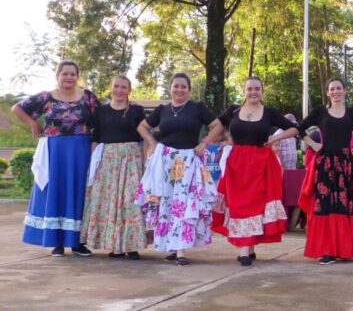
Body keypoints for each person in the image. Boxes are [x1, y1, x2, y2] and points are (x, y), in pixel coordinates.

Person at [12, 60, 100, 257]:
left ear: (77, 76)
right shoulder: (46, 97)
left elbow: (101, 119)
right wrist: (33, 124)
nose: (69, 77)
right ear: (57, 76)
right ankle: (56, 241)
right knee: (56, 191)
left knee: (79, 192)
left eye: (72, 74)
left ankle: (77, 243)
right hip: (55, 151)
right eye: (65, 73)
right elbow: (17, 108)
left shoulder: (87, 97)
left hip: (80, 150)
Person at [135, 73, 224, 266]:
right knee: (166, 202)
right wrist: (152, 143)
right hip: (165, 161)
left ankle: (181, 250)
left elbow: (217, 126)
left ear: (189, 90)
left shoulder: (197, 108)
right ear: (170, 88)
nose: (179, 90)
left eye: (183, 87)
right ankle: (173, 247)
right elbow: (142, 127)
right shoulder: (162, 109)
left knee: (183, 204)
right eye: (176, 86)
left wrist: (204, 144)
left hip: (188, 161)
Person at [210, 77, 299, 266]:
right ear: (244, 91)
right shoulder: (233, 111)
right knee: (238, 205)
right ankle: (248, 248)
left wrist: (275, 139)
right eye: (249, 89)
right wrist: (220, 138)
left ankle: (244, 250)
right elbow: (214, 125)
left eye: (257, 89)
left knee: (254, 206)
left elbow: (293, 129)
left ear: (262, 91)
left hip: (260, 165)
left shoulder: (269, 113)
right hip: (236, 165)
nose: (253, 92)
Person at [297, 78, 353, 265]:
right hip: (325, 162)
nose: (335, 91)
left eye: (339, 88)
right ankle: (325, 251)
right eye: (332, 89)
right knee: (324, 204)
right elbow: (299, 128)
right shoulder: (320, 112)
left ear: (345, 91)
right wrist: (313, 144)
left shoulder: (352, 113)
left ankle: (343, 249)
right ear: (327, 92)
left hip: (345, 164)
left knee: (344, 205)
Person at [80, 76, 146, 260]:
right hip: (108, 160)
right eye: (116, 86)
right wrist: (93, 164)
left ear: (129, 90)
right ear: (111, 88)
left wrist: (145, 160)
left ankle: (131, 245)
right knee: (110, 202)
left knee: (130, 201)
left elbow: (144, 134)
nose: (119, 90)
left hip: (131, 159)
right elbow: (96, 137)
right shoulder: (101, 111)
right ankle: (114, 246)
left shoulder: (136, 110)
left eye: (123, 87)